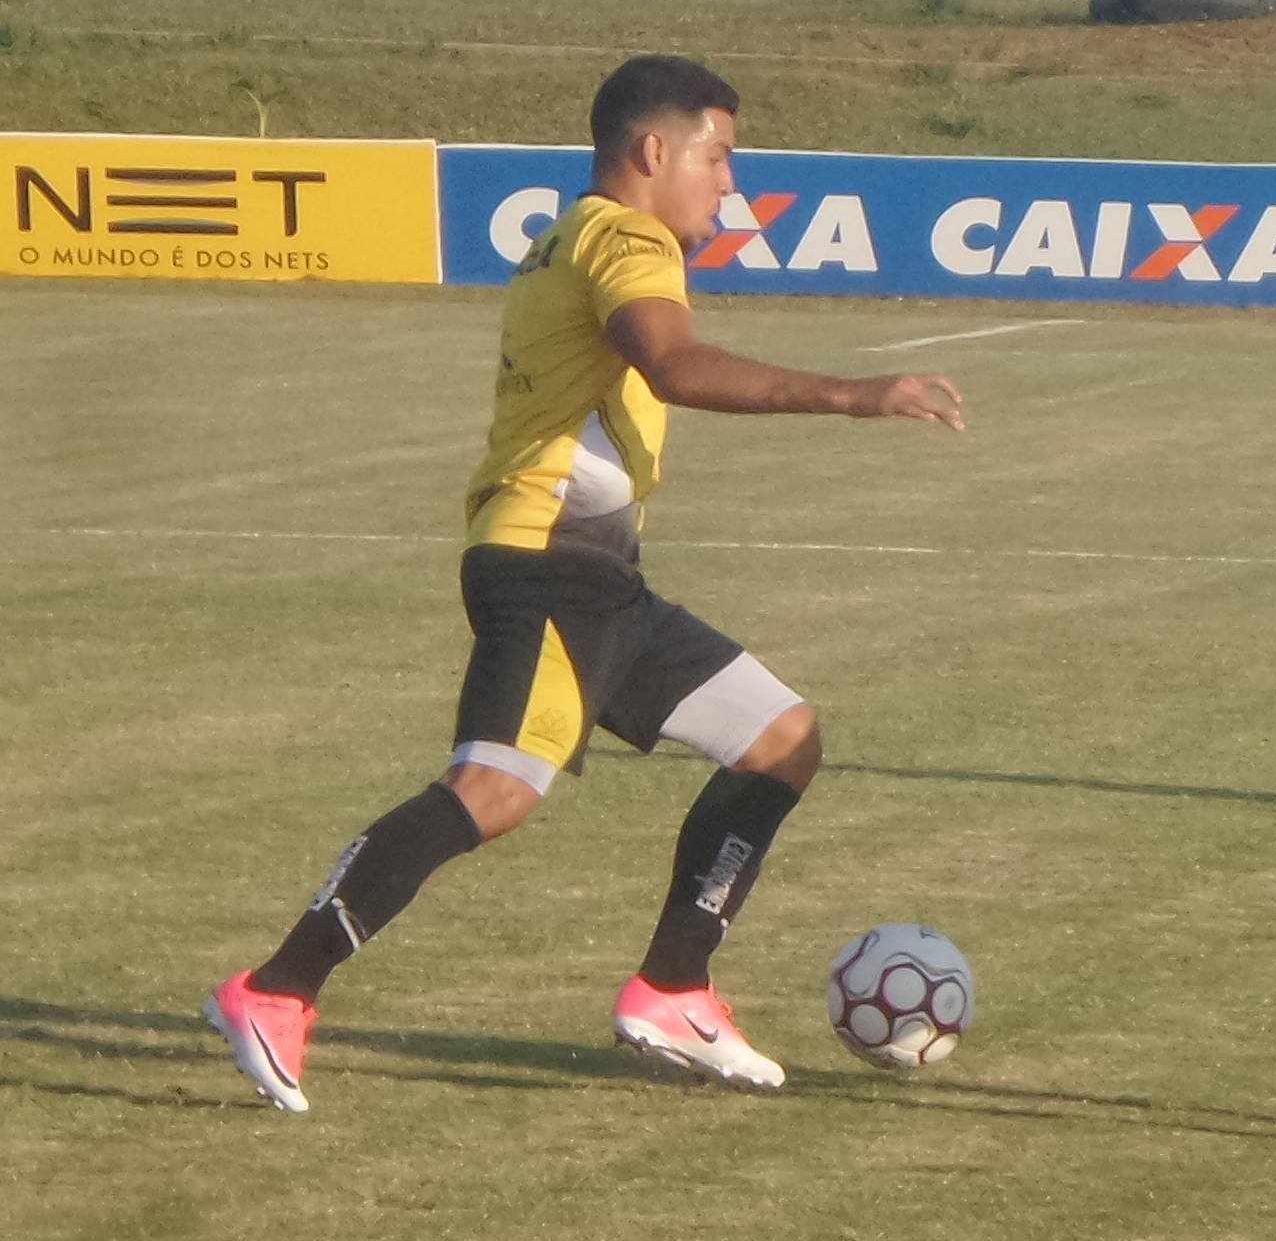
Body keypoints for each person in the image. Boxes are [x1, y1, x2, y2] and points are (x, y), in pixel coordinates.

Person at [204, 54, 965, 1113]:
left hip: (597, 577)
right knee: (492, 790)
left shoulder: (573, 236)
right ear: (656, 151)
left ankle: (674, 986)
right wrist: (853, 394)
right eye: (720, 154)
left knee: (784, 739)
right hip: (550, 566)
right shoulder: (624, 238)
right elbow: (672, 364)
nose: (730, 183)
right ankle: (276, 988)